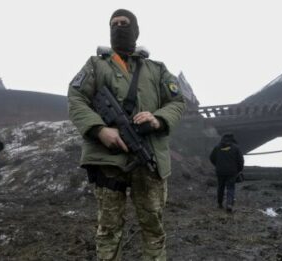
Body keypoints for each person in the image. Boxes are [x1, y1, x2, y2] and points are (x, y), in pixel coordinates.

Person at [67, 9, 185, 261]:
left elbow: (177, 101)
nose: (119, 27)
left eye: (125, 23)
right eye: (114, 24)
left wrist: (158, 118)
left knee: (153, 227)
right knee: (108, 230)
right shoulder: (95, 65)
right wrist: (99, 130)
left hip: (148, 157)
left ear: (136, 29)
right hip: (107, 160)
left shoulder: (156, 69)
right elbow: (76, 98)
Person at [209, 133, 244, 213]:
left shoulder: (217, 147)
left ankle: (220, 204)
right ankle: (229, 204)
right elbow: (240, 160)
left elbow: (211, 158)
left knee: (220, 187)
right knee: (230, 188)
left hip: (220, 171)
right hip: (232, 172)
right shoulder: (236, 148)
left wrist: (217, 165)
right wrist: (239, 169)